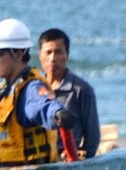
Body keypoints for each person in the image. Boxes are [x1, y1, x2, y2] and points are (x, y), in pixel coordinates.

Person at [0, 18, 75, 166]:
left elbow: (43, 104)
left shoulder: (30, 89)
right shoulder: (1, 92)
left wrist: (57, 114)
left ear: (18, 53)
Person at [38, 28, 101, 159]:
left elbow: (92, 138)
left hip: (67, 162)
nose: (53, 58)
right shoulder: (34, 89)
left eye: (58, 52)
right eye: (48, 52)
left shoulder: (81, 90)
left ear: (67, 54)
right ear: (40, 55)